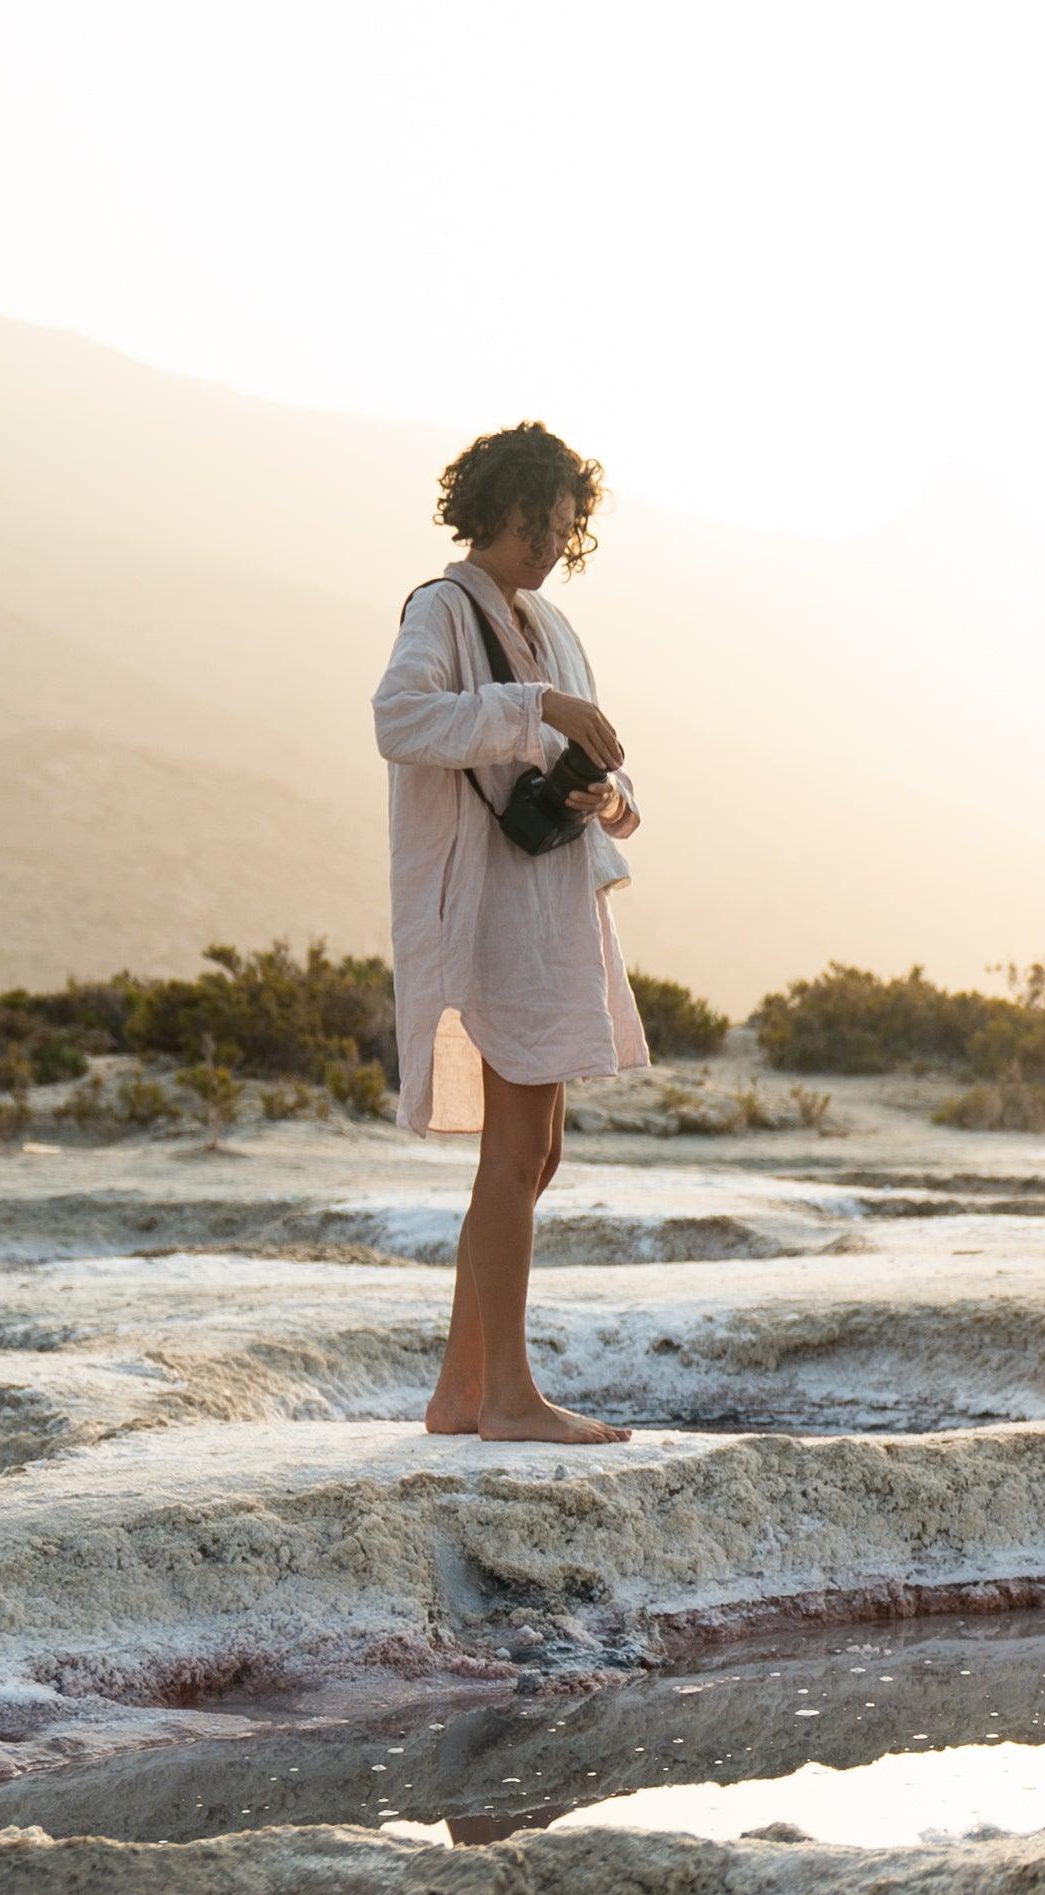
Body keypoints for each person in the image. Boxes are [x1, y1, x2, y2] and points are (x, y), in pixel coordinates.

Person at [372, 422, 647, 1442]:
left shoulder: (554, 625)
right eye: (541, 522)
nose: (551, 545)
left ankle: (461, 1391)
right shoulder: (442, 610)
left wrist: (604, 803)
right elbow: (400, 721)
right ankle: (512, 1400)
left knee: (536, 1157)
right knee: (515, 1148)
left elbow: (605, 777)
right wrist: (536, 704)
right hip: (487, 910)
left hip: (551, 907)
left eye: (566, 529)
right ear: (497, 506)